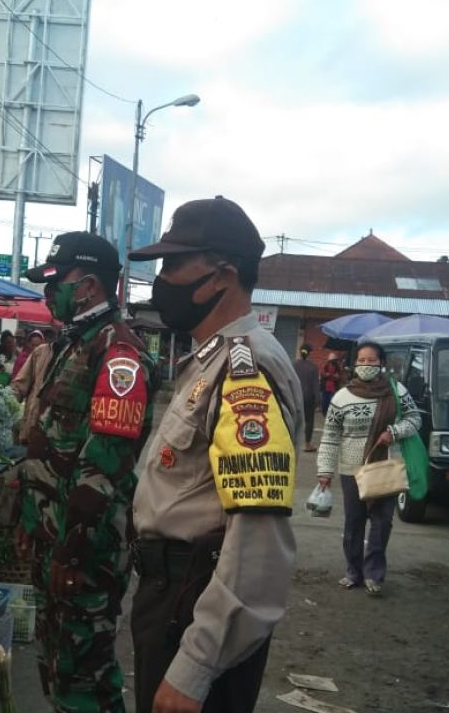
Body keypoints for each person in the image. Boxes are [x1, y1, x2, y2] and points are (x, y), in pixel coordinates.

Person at [128, 196, 303, 713]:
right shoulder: (210, 358)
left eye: (175, 264)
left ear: (222, 275)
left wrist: (196, 667)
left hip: (195, 603)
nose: (163, 279)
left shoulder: (245, 369)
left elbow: (259, 539)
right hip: (173, 597)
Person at [17, 231, 155, 713]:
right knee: (56, 664)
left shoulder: (119, 353)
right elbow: (52, 440)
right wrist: (29, 522)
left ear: (90, 287)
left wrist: (71, 551)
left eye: (55, 281)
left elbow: (104, 466)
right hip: (54, 538)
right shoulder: (71, 343)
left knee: (85, 676)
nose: (46, 292)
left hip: (85, 549)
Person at [316, 341, 421, 596]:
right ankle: (354, 571)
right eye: (361, 361)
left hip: (386, 466)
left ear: (381, 363)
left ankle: (374, 574)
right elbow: (330, 436)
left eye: (372, 361)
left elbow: (415, 418)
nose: (366, 365)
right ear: (353, 364)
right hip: (351, 470)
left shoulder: (396, 391)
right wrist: (324, 472)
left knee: (382, 522)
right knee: (354, 523)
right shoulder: (341, 398)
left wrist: (394, 432)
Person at [11, 332, 52, 437]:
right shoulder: (40, 352)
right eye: (32, 344)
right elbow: (21, 382)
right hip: (33, 413)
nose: (34, 347)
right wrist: (9, 402)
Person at [293, 345, 320, 452]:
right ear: (310, 353)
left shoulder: (293, 364)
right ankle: (307, 444)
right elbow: (315, 384)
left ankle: (292, 441)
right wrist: (318, 401)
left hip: (295, 396)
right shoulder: (312, 366)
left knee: (295, 418)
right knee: (309, 421)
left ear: (300, 352)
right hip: (308, 398)